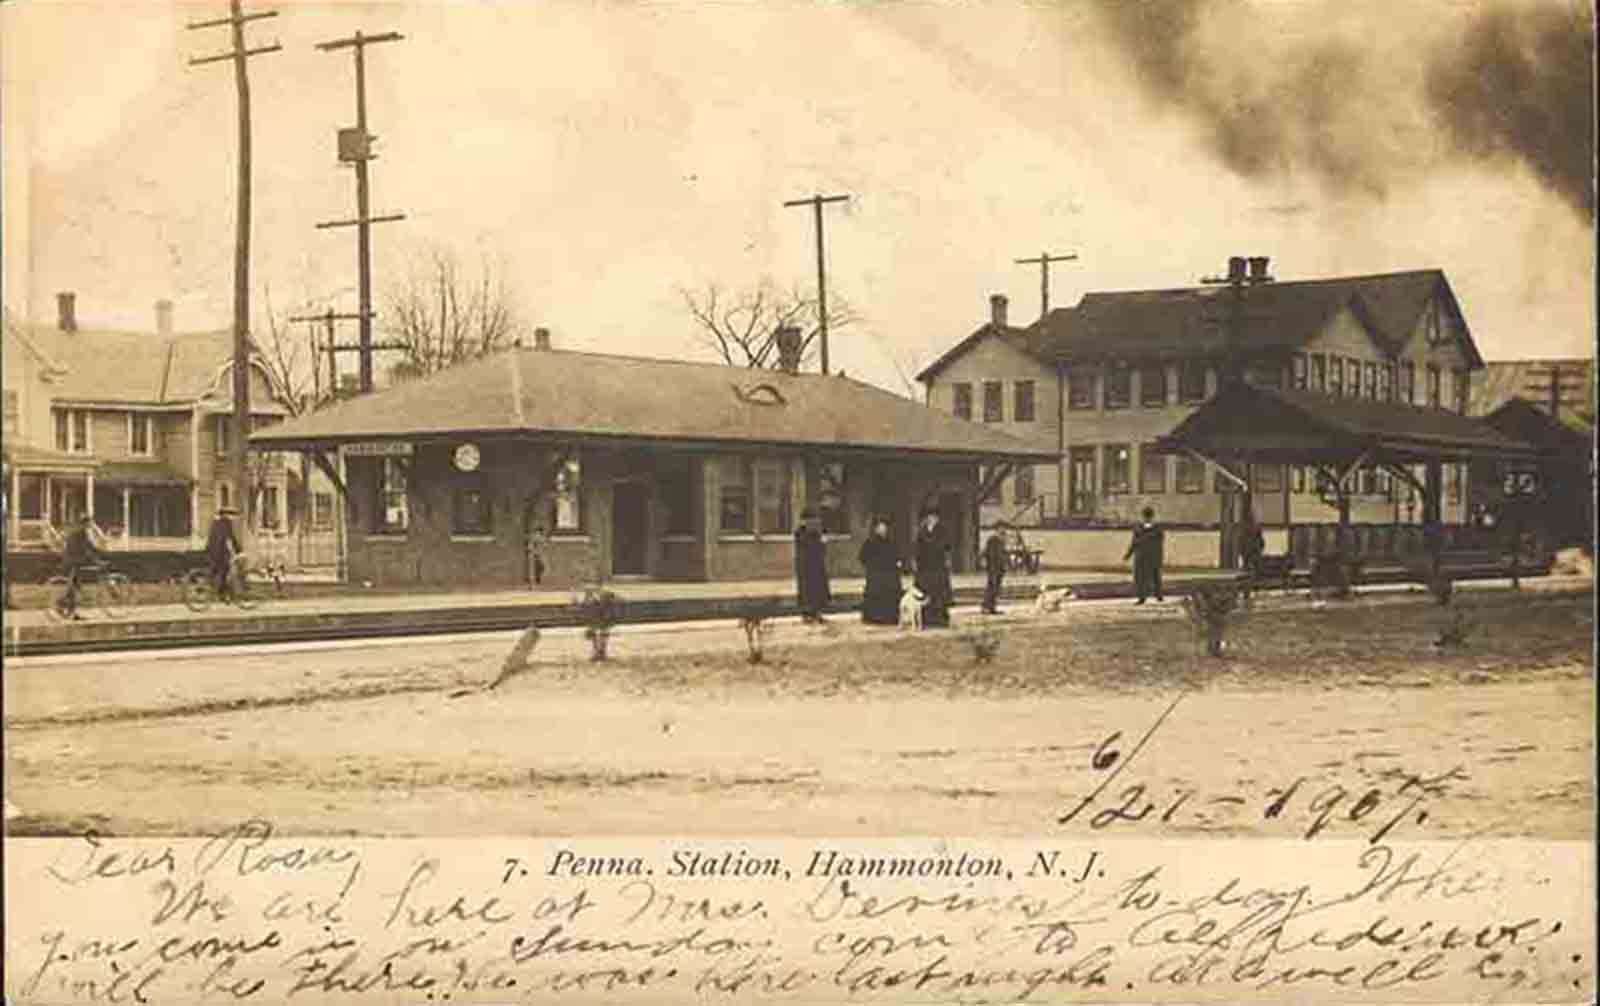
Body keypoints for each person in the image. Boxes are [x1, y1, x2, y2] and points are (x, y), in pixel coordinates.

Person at [56, 514, 104, 619]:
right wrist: (98, 556)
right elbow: (89, 547)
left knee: (75, 587)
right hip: (73, 561)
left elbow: (87, 547)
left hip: (72, 560)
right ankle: (63, 605)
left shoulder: (76, 531)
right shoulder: (81, 533)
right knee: (74, 587)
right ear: (85, 523)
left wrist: (93, 554)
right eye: (89, 523)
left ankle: (71, 612)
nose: (90, 526)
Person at [913, 506, 954, 628]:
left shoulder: (942, 531)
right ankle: (927, 619)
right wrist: (916, 561)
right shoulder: (921, 532)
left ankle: (940, 620)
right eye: (929, 517)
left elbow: (946, 546)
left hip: (938, 567)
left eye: (934, 517)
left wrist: (945, 559)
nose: (931, 519)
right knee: (925, 594)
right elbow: (917, 548)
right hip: (925, 568)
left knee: (939, 594)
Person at [857, 516, 902, 625]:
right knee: (875, 596)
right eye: (880, 528)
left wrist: (897, 563)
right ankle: (874, 618)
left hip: (888, 575)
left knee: (889, 595)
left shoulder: (891, 542)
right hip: (876, 576)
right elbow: (862, 557)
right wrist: (871, 566)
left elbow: (896, 556)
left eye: (884, 528)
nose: (883, 530)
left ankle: (889, 618)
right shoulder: (870, 542)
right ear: (876, 529)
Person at [793, 508, 831, 624]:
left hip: (816, 564)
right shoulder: (800, 532)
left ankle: (817, 613)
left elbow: (822, 550)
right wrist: (820, 541)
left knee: (817, 590)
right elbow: (809, 547)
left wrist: (822, 541)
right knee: (807, 590)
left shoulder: (816, 532)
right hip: (806, 565)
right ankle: (807, 614)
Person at [1125, 506, 1165, 604]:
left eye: (1147, 516)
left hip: (1147, 556)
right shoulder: (1155, 529)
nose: (1146, 518)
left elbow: (1134, 542)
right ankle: (1146, 596)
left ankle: (1155, 595)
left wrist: (1129, 554)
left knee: (1151, 577)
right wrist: (1129, 554)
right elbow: (1134, 543)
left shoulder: (1143, 529)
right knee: (1144, 577)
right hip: (1145, 556)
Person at [206, 506, 242, 602]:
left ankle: (218, 592)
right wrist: (239, 551)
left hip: (212, 550)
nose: (232, 517)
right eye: (231, 514)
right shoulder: (227, 523)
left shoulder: (215, 523)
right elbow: (231, 538)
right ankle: (222, 594)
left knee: (218, 572)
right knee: (225, 571)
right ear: (226, 515)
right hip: (220, 552)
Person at [981, 521, 1009, 614]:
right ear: (997, 529)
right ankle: (986, 606)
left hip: (999, 567)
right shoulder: (992, 540)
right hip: (993, 567)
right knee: (991, 586)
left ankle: (992, 606)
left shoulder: (1001, 540)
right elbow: (990, 554)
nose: (1003, 530)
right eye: (1001, 528)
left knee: (996, 587)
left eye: (1004, 528)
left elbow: (1003, 554)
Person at [1240, 511, 1265, 579]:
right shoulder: (1246, 529)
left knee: (1254, 564)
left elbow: (1261, 542)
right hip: (1251, 551)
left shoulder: (1246, 529)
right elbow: (1261, 543)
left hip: (1253, 551)